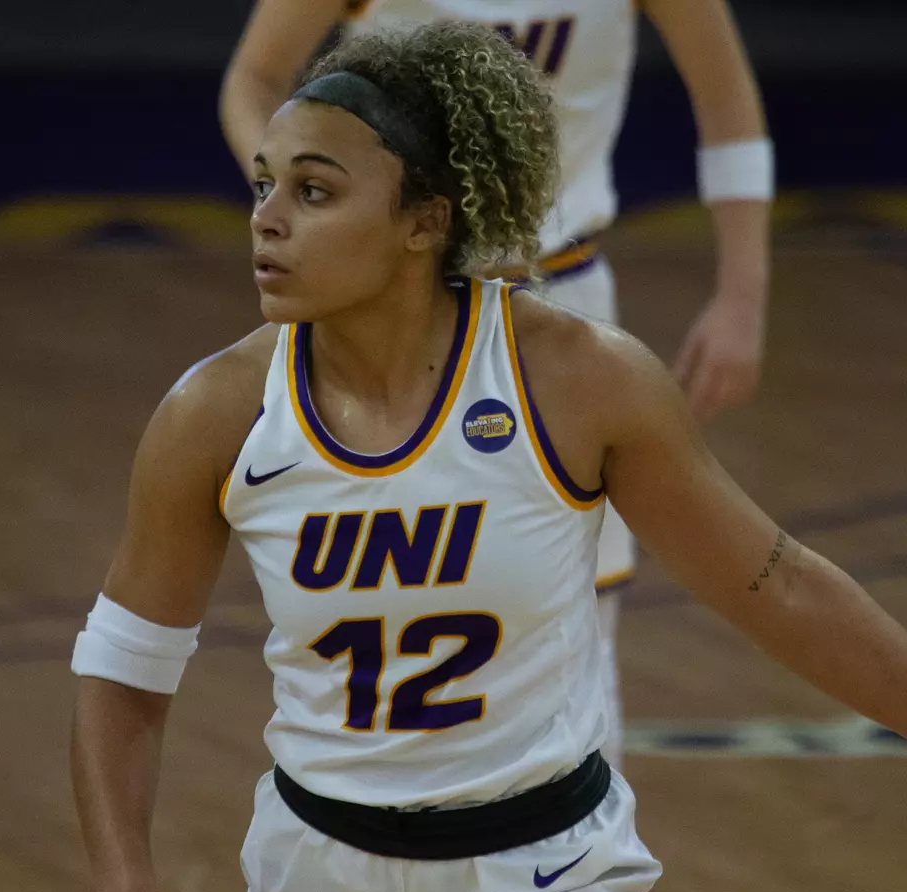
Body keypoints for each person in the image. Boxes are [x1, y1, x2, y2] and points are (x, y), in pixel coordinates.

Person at [71, 24, 907, 892]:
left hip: (536, 879)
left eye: (314, 191)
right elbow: (122, 672)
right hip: (324, 888)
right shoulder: (215, 412)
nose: (267, 220)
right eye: (263, 186)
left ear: (424, 222)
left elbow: (784, 588)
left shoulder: (577, 380)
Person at [221, 0, 777, 766]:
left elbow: (725, 102)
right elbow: (253, 78)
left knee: (579, 621)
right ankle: (380, 828)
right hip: (390, 301)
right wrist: (309, 196)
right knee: (380, 598)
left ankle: (576, 870)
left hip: (557, 295)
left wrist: (742, 296)